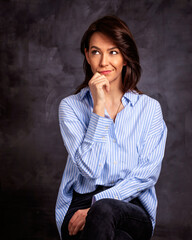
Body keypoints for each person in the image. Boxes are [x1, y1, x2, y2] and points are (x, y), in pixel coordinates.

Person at [55, 15, 167, 240]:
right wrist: (99, 107)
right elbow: (90, 169)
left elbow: (147, 175)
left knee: (105, 210)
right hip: (80, 202)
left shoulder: (150, 109)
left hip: (132, 206)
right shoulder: (71, 107)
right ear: (87, 56)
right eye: (96, 52)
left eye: (113, 52)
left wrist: (98, 206)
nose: (104, 61)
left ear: (125, 57)